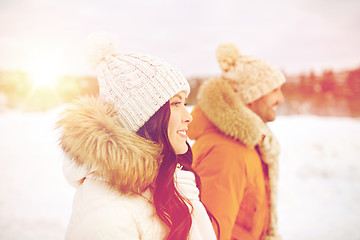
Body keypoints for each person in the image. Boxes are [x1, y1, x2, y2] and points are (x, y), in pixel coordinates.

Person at [56, 33, 217, 240]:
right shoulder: (107, 211)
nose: (188, 116)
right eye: (175, 104)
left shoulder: (170, 183)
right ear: (145, 118)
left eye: (184, 103)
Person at [187, 43, 286, 240]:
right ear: (251, 96)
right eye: (274, 89)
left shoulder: (249, 144)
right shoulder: (226, 152)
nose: (281, 98)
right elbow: (211, 235)